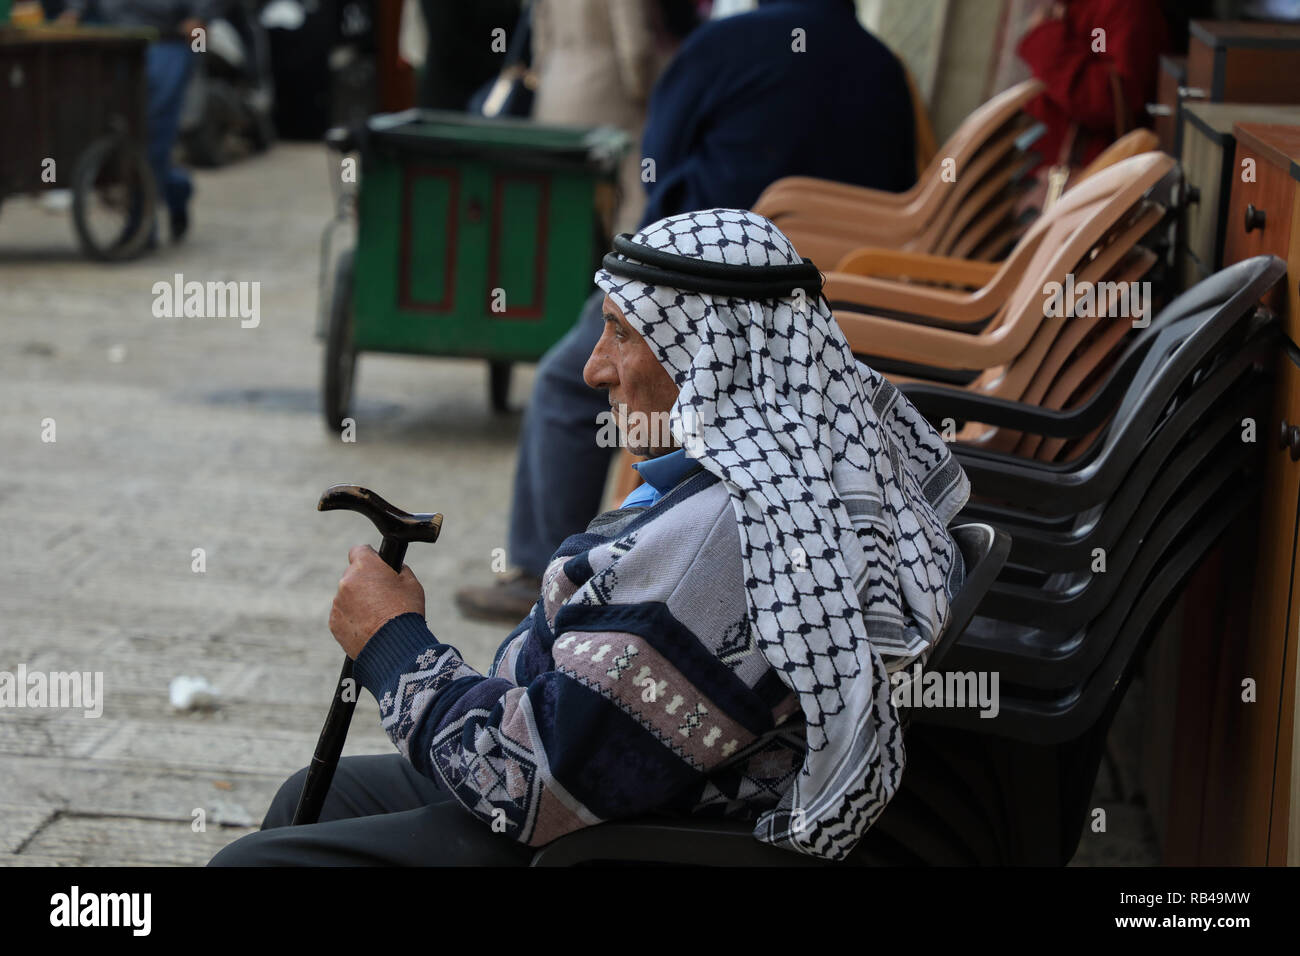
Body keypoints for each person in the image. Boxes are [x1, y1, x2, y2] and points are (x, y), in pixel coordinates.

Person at [209, 208, 968, 865]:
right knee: (315, 798)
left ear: (710, 358)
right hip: (626, 782)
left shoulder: (720, 543)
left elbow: (532, 783)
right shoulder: (807, 467)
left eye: (620, 335)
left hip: (605, 837)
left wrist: (393, 640)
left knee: (257, 864)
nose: (594, 370)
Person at [455, 0, 917, 622]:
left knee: (569, 380)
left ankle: (541, 571)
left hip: (699, 283)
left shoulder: (727, 43)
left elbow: (660, 160)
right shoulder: (886, 67)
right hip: (841, 308)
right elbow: (896, 182)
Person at [58, 0, 220, 243]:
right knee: (111, 129)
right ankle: (177, 190)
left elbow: (201, 20)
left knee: (153, 134)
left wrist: (199, 20)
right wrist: (73, 12)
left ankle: (142, 224)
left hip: (168, 42)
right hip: (115, 43)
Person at [531, 0, 667, 235]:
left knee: (561, 197)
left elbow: (540, 42)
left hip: (555, 90)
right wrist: (644, 94)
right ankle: (627, 266)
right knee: (632, 193)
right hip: (609, 91)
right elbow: (635, 49)